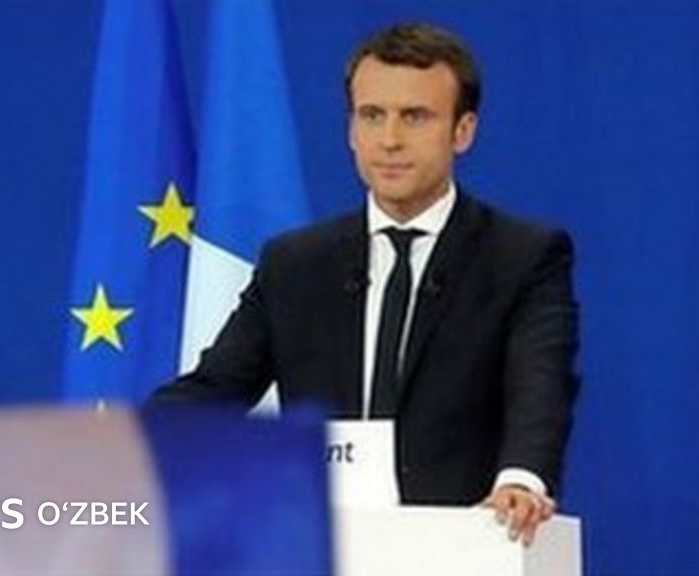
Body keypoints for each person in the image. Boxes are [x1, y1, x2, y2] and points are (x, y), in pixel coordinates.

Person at [149, 23, 579, 546]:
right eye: (372, 115)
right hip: (325, 545)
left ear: (462, 131)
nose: (390, 140)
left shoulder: (523, 257)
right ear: (351, 130)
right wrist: (114, 446)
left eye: (415, 117)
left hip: (463, 547)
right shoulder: (296, 264)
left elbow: (540, 389)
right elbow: (215, 389)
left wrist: (521, 480)